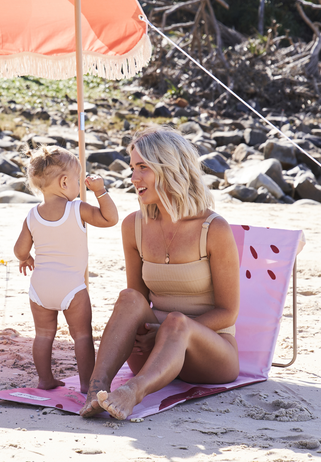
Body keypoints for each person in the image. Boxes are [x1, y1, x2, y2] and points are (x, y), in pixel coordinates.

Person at [79, 126, 240, 420]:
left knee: (177, 322)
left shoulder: (213, 229)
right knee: (128, 298)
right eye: (132, 168)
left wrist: (166, 332)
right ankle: (96, 389)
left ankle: (132, 392)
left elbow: (228, 312)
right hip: (152, 355)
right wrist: (154, 336)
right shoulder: (133, 226)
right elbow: (138, 302)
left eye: (143, 167)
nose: (134, 178)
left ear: (170, 168)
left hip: (211, 358)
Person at [14, 146, 118, 393]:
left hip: (40, 287)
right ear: (64, 182)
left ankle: (45, 380)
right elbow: (110, 219)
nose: (80, 187)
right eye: (77, 181)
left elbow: (19, 250)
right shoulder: (77, 208)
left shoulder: (32, 215)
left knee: (43, 335)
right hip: (71, 286)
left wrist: (26, 257)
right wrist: (100, 191)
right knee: (82, 336)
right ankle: (85, 385)